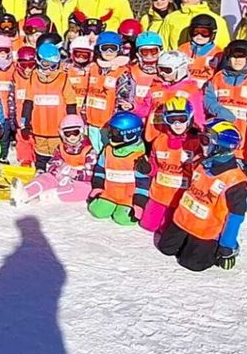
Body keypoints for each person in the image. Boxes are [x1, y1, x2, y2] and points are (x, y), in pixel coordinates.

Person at [157, 122, 247, 271]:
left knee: (192, 264)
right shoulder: (201, 162)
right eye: (201, 139)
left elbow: (235, 217)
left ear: (222, 146)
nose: (202, 144)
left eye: (205, 141)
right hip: (183, 220)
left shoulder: (234, 180)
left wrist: (227, 246)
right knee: (165, 248)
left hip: (206, 230)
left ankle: (224, 246)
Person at [139, 98, 202, 233]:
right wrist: (147, 168)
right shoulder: (159, 140)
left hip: (180, 198)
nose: (177, 124)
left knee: (166, 230)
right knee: (148, 226)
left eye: (182, 118)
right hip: (159, 195)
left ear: (190, 118)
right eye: (172, 119)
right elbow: (155, 166)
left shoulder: (196, 143)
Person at [10, 115, 96, 206]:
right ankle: (25, 192)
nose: (72, 136)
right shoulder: (61, 148)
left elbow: (91, 173)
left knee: (86, 190)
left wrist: (73, 173)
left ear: (81, 132)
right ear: (62, 134)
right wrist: (60, 171)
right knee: (46, 177)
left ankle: (45, 196)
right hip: (61, 177)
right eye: (67, 133)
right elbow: (52, 164)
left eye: (75, 132)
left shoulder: (88, 150)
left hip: (78, 182)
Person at [87, 111, 149, 226]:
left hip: (128, 198)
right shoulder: (108, 150)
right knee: (97, 211)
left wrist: (139, 203)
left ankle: (126, 208)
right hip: (109, 193)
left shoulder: (137, 157)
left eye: (114, 132)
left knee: (122, 219)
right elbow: (100, 170)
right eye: (110, 131)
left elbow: (143, 183)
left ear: (129, 134)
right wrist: (98, 188)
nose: (110, 135)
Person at [22, 43, 75, 171]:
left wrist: (72, 122)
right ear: (38, 60)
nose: (49, 69)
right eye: (45, 64)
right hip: (39, 127)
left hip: (57, 128)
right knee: (41, 151)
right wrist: (25, 120)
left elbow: (71, 103)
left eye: (53, 66)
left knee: (57, 152)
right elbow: (28, 101)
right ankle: (40, 170)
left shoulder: (63, 78)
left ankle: (56, 172)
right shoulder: (33, 78)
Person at [159, 0, 231, 50]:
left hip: (205, 60)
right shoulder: (171, 17)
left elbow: (223, 45)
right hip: (175, 59)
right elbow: (162, 42)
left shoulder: (216, 20)